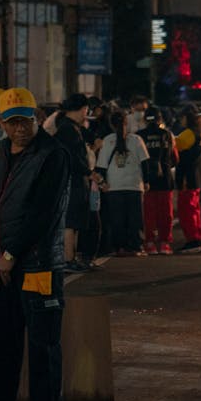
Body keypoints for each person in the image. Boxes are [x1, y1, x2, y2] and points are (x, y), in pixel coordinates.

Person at [0, 88, 71, 401]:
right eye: (12, 122)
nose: (19, 128)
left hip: (38, 267)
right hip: (0, 269)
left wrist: (9, 255)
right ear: (1, 122)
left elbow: (44, 214)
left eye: (25, 120)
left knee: (44, 351)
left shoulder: (53, 154)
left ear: (37, 118)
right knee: (1, 349)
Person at [95, 111, 150, 256]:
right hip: (134, 184)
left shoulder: (107, 140)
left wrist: (102, 183)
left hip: (114, 185)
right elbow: (145, 163)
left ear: (112, 125)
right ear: (127, 123)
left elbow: (101, 166)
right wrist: (147, 181)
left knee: (116, 219)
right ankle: (135, 246)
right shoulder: (136, 140)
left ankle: (118, 247)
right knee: (134, 219)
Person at [53, 94, 93, 273]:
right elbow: (73, 157)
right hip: (72, 180)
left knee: (75, 221)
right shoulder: (68, 129)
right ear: (81, 108)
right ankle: (68, 260)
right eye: (86, 109)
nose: (87, 113)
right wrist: (89, 172)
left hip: (74, 179)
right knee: (71, 220)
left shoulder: (68, 127)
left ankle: (71, 257)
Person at [138, 107, 179, 255]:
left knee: (148, 213)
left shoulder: (139, 136)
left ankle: (149, 243)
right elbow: (175, 158)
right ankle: (164, 243)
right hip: (164, 180)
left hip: (146, 180)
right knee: (165, 213)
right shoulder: (167, 135)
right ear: (159, 119)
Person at [174, 106, 201, 252]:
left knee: (186, 211)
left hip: (187, 177)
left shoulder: (188, 134)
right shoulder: (200, 133)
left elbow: (175, 147)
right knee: (195, 210)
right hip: (196, 176)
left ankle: (192, 240)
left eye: (182, 117)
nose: (180, 120)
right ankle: (197, 238)